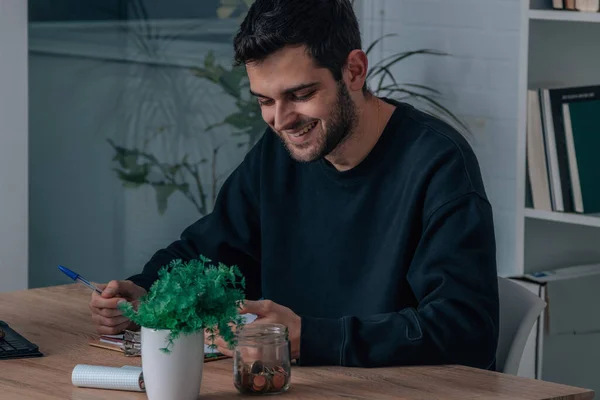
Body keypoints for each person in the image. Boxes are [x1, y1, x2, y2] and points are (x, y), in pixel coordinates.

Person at [89, 0, 499, 369]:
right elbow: (210, 250)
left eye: (300, 94)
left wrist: (309, 339)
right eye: (265, 101)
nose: (281, 121)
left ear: (354, 71)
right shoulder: (277, 153)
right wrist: (144, 291)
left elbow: (464, 331)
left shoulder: (438, 164)